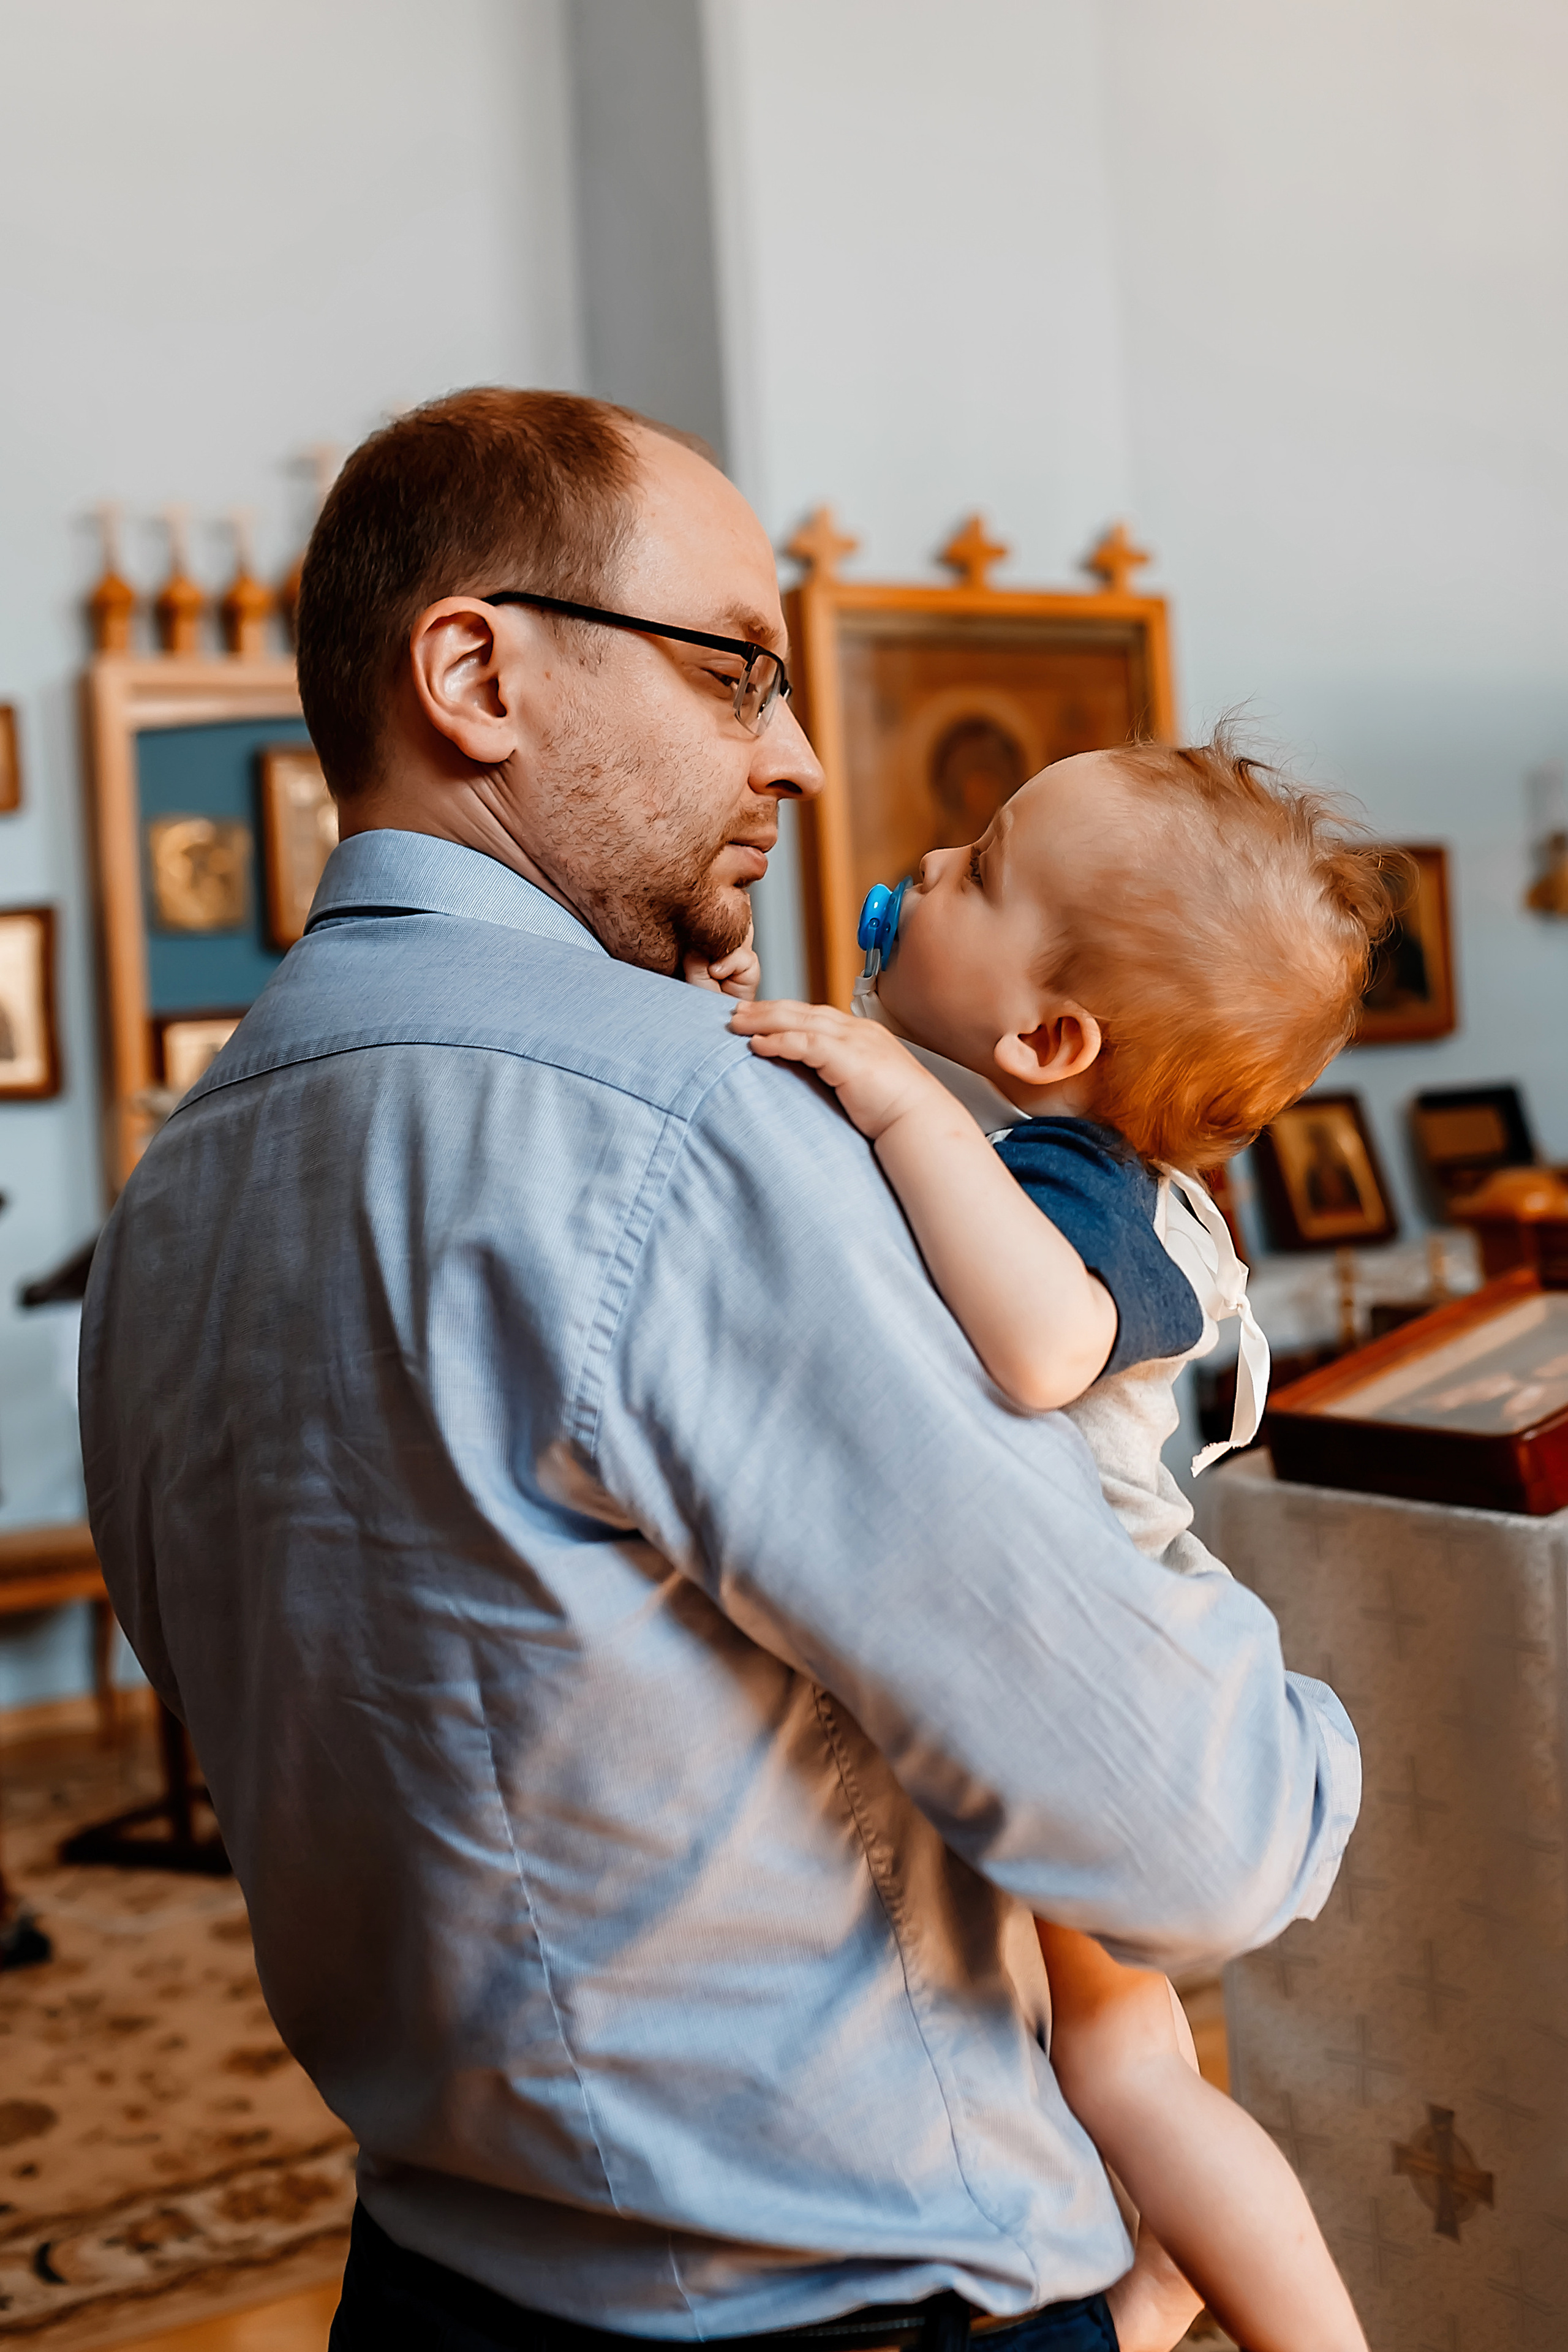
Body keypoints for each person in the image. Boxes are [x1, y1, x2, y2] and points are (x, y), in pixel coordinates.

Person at [78, 388, 1361, 2352]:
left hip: (434, 2279)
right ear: (477, 673)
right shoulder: (700, 1128)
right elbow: (1190, 1840)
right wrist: (1322, 1749)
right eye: (734, 670)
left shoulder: (180, 1183)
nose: (800, 746)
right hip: (833, 2293)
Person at [729, 739, 1393, 2351]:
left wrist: (896, 1106)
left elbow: (1034, 1349)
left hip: (1110, 1660)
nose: (931, 867)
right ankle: (1156, 2286)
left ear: (1047, 1035)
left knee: (1126, 2075)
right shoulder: (1083, 1168)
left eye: (982, 865)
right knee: (1093, 2049)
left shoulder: (1088, 1195)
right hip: (1083, 1641)